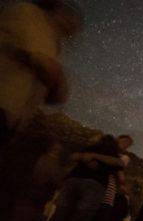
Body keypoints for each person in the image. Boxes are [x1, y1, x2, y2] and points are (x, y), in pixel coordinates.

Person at [0, 0, 82, 145]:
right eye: (70, 17)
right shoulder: (29, 14)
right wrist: (41, 65)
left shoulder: (53, 43)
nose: (72, 25)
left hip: (12, 116)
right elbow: (44, 65)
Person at [41, 135, 125, 221]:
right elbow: (119, 163)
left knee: (58, 220)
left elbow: (73, 157)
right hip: (93, 186)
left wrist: (88, 157)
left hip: (73, 182)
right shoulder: (111, 153)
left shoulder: (89, 149)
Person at [90, 135, 133, 221]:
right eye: (123, 142)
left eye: (127, 145)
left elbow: (119, 169)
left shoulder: (123, 158)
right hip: (93, 192)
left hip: (107, 198)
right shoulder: (104, 152)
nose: (124, 146)